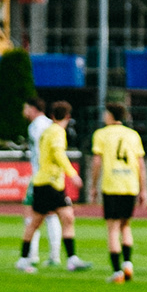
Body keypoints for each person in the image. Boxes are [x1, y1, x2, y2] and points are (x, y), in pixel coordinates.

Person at [17, 100, 88, 272]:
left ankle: (71, 259)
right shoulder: (56, 131)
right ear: (68, 117)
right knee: (38, 221)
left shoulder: (48, 131)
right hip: (48, 183)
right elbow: (58, 154)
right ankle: (25, 259)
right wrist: (72, 174)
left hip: (49, 182)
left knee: (66, 217)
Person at [89, 102, 147, 282]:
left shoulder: (101, 134)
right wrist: (143, 189)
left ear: (110, 115)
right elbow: (141, 165)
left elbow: (97, 162)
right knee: (126, 225)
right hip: (130, 185)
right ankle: (128, 265)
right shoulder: (133, 135)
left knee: (113, 228)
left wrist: (93, 186)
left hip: (112, 184)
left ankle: (117, 272)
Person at [21, 99, 61, 266]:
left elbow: (41, 152)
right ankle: (54, 256)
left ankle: (32, 255)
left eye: (25, 107)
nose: (24, 111)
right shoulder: (49, 124)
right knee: (51, 213)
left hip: (40, 176)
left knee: (31, 213)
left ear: (32, 108)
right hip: (52, 176)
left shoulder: (37, 126)